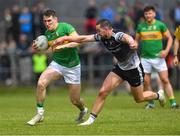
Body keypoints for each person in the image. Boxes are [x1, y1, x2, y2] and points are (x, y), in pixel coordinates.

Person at [52, 19, 166, 126]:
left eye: (99, 30)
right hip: (120, 69)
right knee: (102, 92)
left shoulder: (117, 35)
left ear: (106, 29)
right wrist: (64, 38)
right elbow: (83, 39)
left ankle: (158, 95)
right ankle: (90, 120)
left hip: (134, 70)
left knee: (139, 99)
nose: (97, 33)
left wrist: (133, 42)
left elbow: (127, 37)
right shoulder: (102, 37)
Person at [27, 9, 88, 126]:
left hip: (72, 67)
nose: (47, 23)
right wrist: (40, 48)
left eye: (49, 20)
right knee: (41, 84)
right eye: (45, 21)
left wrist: (64, 46)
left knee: (75, 100)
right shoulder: (47, 34)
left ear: (55, 19)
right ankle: (40, 114)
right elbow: (51, 49)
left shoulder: (66, 27)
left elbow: (79, 41)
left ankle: (83, 109)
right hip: (58, 64)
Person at [135, 6, 179, 109]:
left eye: (150, 13)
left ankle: (173, 103)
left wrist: (166, 51)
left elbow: (170, 39)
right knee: (146, 82)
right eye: (146, 14)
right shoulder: (141, 26)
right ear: (144, 15)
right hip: (145, 58)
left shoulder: (160, 25)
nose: (148, 15)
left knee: (165, 80)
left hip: (159, 58)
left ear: (154, 14)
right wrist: (134, 45)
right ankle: (151, 103)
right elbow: (136, 41)